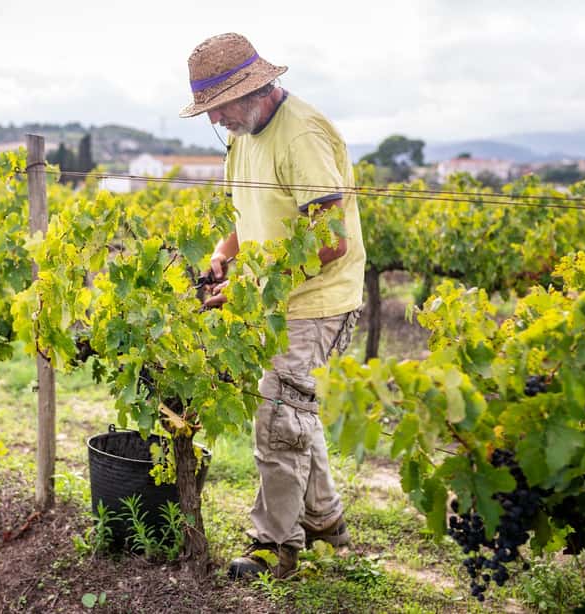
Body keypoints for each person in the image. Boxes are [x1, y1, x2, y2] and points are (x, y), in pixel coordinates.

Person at [179, 33, 366, 579]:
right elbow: (249, 213)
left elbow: (329, 241)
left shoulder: (301, 133)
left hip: (316, 299)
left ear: (252, 90)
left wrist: (256, 287)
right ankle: (326, 523)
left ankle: (274, 546)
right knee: (294, 409)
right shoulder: (243, 137)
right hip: (278, 297)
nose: (217, 121)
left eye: (219, 109)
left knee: (278, 416)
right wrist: (223, 256)